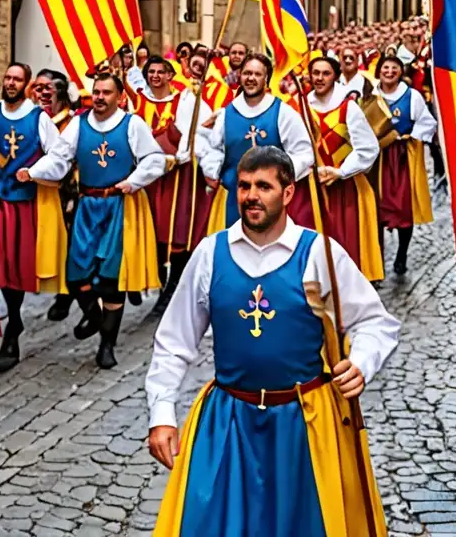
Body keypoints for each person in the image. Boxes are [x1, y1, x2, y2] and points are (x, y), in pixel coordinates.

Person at [146, 147, 399, 536]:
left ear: (288, 193)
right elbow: (173, 341)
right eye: (244, 186)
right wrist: (162, 414)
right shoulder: (210, 255)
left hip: (304, 423)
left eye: (264, 186)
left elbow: (374, 322)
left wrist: (361, 363)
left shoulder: (318, 253)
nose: (251, 196)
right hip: (229, 420)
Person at [22, 73, 164, 368]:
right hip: (88, 207)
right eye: (96, 92)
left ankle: (107, 345)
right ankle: (95, 316)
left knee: (111, 281)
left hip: (118, 207)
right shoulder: (79, 123)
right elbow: (60, 157)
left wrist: (134, 181)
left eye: (106, 93)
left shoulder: (131, 124)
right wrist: (34, 171)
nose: (99, 97)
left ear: (119, 96)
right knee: (75, 275)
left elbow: (154, 159)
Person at [0, 63, 68, 373]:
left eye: (17, 79)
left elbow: (60, 155)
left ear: (26, 85)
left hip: (25, 202)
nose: (11, 83)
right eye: (8, 78)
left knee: (16, 266)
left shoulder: (39, 119)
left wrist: (35, 171)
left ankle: (13, 325)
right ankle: (7, 321)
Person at [127, 56, 213, 314]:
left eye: (160, 72)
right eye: (150, 71)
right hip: (145, 175)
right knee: (148, 226)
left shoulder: (186, 100)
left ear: (169, 75)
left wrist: (182, 152)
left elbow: (199, 130)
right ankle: (148, 275)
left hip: (176, 175)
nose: (155, 76)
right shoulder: (137, 101)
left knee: (176, 228)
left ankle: (173, 285)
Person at [201, 54, 315, 232]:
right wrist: (213, 171)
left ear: (266, 79)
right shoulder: (226, 115)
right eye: (247, 73)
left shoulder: (283, 113)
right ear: (240, 76)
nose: (251, 78)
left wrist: (281, 176)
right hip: (234, 197)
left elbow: (304, 153)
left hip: (273, 201)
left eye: (257, 74)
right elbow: (214, 149)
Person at [306, 55, 383, 282]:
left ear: (336, 77)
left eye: (325, 73)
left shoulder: (347, 107)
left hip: (345, 189)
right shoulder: (299, 105)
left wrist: (340, 171)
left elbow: (368, 148)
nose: (319, 78)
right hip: (311, 188)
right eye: (316, 73)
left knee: (346, 245)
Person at [374, 55, 436, 275]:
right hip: (376, 159)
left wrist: (411, 135)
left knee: (402, 207)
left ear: (400, 72)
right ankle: (376, 258)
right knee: (376, 208)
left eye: (394, 68)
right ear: (379, 71)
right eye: (385, 67)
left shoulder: (412, 96)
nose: (389, 71)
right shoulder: (372, 95)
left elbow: (427, 122)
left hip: (401, 159)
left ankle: (402, 253)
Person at [34, 69, 81, 322]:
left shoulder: (71, 122)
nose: (40, 93)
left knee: (70, 242)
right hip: (40, 191)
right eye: (37, 88)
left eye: (46, 88)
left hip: (69, 191)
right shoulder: (33, 120)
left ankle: (70, 294)